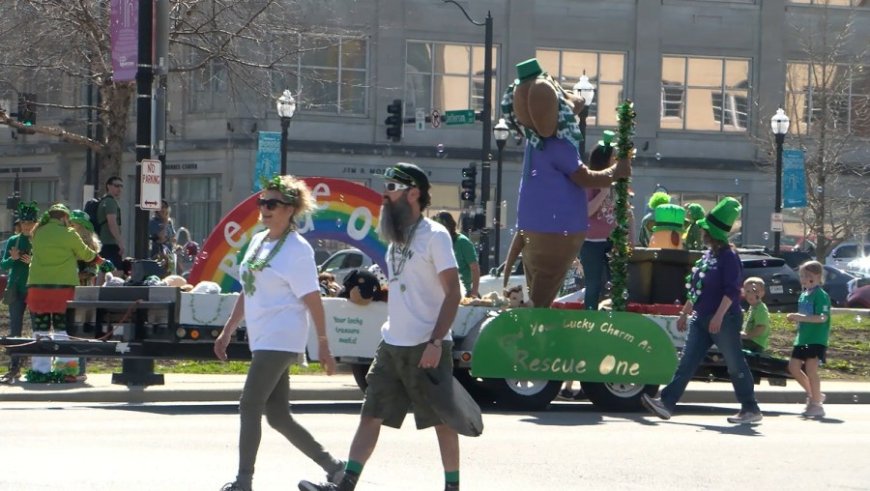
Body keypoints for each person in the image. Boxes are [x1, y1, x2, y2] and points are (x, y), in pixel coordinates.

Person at [298, 162, 464, 491]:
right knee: (370, 414)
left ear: (413, 193)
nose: (384, 195)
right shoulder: (395, 241)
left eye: (392, 187)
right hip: (393, 344)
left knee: (442, 421)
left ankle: (452, 487)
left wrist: (434, 342)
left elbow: (454, 292)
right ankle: (345, 485)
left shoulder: (436, 236)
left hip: (426, 345)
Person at [214, 175, 345, 491]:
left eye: (272, 204)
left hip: (282, 337)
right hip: (262, 338)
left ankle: (243, 481)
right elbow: (249, 288)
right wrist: (228, 329)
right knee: (278, 416)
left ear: (290, 209)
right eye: (262, 202)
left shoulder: (297, 250)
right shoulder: (259, 241)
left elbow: (313, 299)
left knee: (249, 404)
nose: (265, 208)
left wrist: (324, 344)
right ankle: (335, 468)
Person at [503, 58, 631, 309]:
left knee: (537, 285)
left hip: (530, 227)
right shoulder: (558, 145)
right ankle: (529, 334)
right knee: (542, 295)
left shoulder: (534, 144)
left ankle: (527, 320)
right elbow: (583, 177)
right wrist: (617, 171)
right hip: (556, 230)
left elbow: (574, 101)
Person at [640, 197, 763, 424]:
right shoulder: (709, 256)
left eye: (707, 230)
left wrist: (718, 316)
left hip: (724, 319)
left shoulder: (729, 257)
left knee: (735, 362)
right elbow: (697, 288)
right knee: (687, 362)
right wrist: (686, 312)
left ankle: (750, 408)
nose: (703, 232)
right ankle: (666, 403)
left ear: (714, 233)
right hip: (701, 318)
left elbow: (732, 290)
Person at [25, 203, 102, 383]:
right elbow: (86, 254)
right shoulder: (69, 234)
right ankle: (65, 371)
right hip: (62, 289)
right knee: (62, 330)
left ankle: (40, 371)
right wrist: (100, 260)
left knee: (40, 330)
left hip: (38, 288)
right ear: (64, 218)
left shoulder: (38, 232)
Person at [0, 201, 39, 384]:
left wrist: (32, 261)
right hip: (15, 289)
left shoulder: (38, 241)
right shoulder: (13, 241)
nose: (27, 226)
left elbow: (43, 264)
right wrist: (12, 258)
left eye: (30, 222)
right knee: (14, 330)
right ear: (19, 224)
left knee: (36, 328)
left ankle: (37, 366)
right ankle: (14, 367)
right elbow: (3, 264)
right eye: (24, 222)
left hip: (32, 288)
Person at [787, 260, 831, 419]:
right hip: (802, 338)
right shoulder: (803, 295)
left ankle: (816, 404)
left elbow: (822, 317)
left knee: (811, 370)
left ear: (819, 276)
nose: (804, 279)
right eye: (802, 276)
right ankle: (815, 395)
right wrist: (796, 319)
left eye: (808, 276)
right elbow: (804, 318)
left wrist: (800, 317)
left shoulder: (821, 295)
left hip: (816, 339)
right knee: (793, 367)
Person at [579, 132, 617, 311]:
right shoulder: (591, 181)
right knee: (593, 285)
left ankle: (613, 318)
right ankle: (590, 317)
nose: (616, 161)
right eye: (613, 157)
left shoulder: (617, 183)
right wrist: (602, 192)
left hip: (613, 241)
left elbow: (624, 212)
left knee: (616, 284)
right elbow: (587, 211)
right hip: (591, 243)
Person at [434, 211, 480, 298]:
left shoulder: (462, 242)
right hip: (441, 293)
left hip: (464, 293)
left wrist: (474, 293)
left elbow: (475, 268)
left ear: (450, 227)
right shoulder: (436, 242)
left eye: (443, 227)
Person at [97, 176, 124, 270]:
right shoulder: (110, 202)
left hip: (103, 243)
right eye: (116, 186)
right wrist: (120, 242)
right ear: (108, 186)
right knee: (117, 272)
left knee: (104, 271)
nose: (119, 189)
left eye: (121, 186)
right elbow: (112, 223)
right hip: (110, 243)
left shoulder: (104, 201)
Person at [740, 277, 770, 353]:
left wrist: (746, 336)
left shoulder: (761, 309)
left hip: (756, 342)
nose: (751, 294)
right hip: (751, 340)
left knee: (732, 344)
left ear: (762, 293)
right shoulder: (753, 307)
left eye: (754, 291)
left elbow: (761, 327)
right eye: (748, 291)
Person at [149, 199, 177, 274]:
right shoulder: (153, 222)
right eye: (161, 207)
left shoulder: (169, 222)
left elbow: (173, 238)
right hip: (158, 255)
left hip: (169, 254)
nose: (163, 209)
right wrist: (165, 223)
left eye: (165, 207)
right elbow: (161, 237)